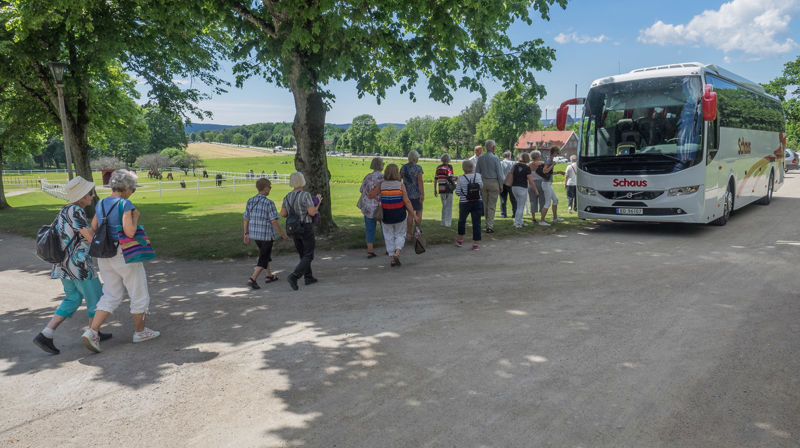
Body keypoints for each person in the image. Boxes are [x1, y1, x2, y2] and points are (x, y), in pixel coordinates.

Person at [82, 169, 159, 353]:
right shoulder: (125, 204)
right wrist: (135, 216)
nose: (132, 191)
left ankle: (92, 331)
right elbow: (130, 232)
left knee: (110, 294)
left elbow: (92, 228)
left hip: (104, 254)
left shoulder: (101, 203)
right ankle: (140, 332)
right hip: (124, 253)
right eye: (132, 188)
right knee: (138, 291)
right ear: (125, 187)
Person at [33, 177, 111, 355]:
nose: (92, 196)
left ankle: (46, 334)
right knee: (96, 299)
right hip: (79, 265)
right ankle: (93, 335)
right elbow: (89, 237)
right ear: (82, 196)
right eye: (90, 193)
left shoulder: (65, 210)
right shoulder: (76, 210)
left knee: (73, 298)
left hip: (63, 265)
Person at [368, 163, 419, 267]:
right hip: (399, 214)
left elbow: (370, 195)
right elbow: (407, 201)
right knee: (400, 234)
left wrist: (378, 193)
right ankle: (397, 253)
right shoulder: (400, 185)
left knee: (389, 236)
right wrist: (413, 215)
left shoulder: (381, 184)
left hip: (386, 215)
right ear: (397, 173)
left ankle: (392, 258)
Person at [244, 178, 289, 289]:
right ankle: (252, 279)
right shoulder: (269, 203)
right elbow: (273, 221)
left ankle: (269, 275)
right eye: (270, 187)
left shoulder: (250, 200)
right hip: (266, 235)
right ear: (265, 189)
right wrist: (283, 234)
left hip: (255, 234)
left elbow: (246, 219)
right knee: (263, 257)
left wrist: (246, 233)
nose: (270, 189)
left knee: (265, 254)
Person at [280, 172, 322, 291]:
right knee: (309, 254)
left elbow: (283, 214)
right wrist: (318, 202)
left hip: (293, 227)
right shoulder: (305, 195)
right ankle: (294, 276)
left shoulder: (287, 197)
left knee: (302, 253)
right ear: (302, 181)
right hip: (305, 226)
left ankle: (308, 277)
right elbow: (312, 212)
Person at [474, 139, 503, 233]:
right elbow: (499, 174)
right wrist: (501, 185)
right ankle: (489, 225)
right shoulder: (495, 158)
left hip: (483, 182)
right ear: (493, 147)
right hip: (493, 182)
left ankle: (487, 224)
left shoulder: (481, 158)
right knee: (492, 205)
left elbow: (477, 172)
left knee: (485, 204)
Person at [359, 157, 384, 258]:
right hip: (380, 207)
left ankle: (370, 250)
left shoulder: (367, 177)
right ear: (381, 166)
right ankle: (389, 249)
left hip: (368, 207)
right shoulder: (383, 178)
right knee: (385, 228)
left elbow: (361, 190)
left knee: (369, 229)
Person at [455, 160, 483, 250]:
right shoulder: (478, 176)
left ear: (463, 168)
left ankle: (460, 240)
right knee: (476, 222)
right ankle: (476, 244)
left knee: (462, 221)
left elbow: (458, 192)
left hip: (464, 202)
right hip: (477, 201)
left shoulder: (461, 178)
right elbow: (481, 187)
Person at [534, 147, 565, 226]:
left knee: (555, 200)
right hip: (546, 184)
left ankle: (555, 218)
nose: (557, 155)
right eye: (557, 153)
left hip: (547, 183)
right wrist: (553, 165)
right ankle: (542, 221)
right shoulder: (549, 160)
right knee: (547, 202)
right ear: (554, 152)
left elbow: (549, 172)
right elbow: (545, 171)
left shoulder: (549, 159)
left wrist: (558, 172)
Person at [509, 152, 539, 229]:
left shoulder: (515, 165)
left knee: (519, 205)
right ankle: (516, 223)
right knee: (520, 207)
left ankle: (520, 221)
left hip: (514, 187)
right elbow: (531, 181)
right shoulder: (526, 168)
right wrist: (536, 190)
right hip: (522, 188)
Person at [400, 151, 424, 237]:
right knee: (419, 212)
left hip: (406, 194)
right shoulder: (418, 168)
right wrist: (422, 194)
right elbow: (420, 181)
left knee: (410, 214)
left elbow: (399, 179)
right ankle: (416, 232)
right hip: (416, 194)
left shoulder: (404, 167)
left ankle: (409, 233)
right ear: (416, 158)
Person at [433, 153, 456, 226]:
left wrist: (435, 189)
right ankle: (448, 222)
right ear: (448, 159)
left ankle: (443, 221)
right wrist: (457, 178)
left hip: (441, 188)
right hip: (448, 188)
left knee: (444, 205)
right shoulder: (449, 167)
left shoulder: (438, 167)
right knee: (449, 206)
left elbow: (436, 179)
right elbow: (450, 177)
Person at [528, 150, 546, 224]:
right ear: (538, 156)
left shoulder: (529, 165)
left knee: (532, 201)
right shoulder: (542, 163)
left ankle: (533, 218)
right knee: (542, 200)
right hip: (541, 183)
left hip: (531, 184)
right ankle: (542, 217)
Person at [499, 151, 517, 219]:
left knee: (503, 199)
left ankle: (503, 214)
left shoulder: (500, 163)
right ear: (509, 156)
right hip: (510, 182)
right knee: (513, 199)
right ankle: (514, 213)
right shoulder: (512, 163)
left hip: (502, 182)